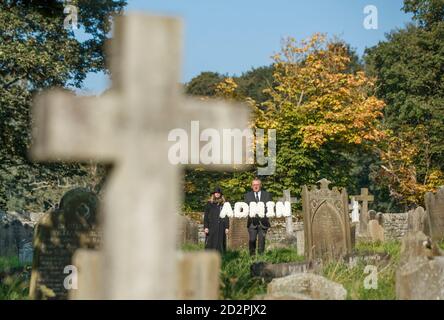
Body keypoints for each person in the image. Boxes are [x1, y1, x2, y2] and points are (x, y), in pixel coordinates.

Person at [244, 177, 272, 256]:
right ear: (251, 186)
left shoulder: (267, 195)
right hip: (252, 222)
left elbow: (270, 207)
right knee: (252, 240)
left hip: (263, 222)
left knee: (261, 240)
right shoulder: (247, 195)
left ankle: (261, 258)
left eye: (257, 184)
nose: (255, 186)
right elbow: (246, 208)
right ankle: (252, 257)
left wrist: (262, 213)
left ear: (260, 185)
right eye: (254, 185)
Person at [204, 187, 229, 253]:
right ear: (214, 194)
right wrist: (206, 227)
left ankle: (220, 256)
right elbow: (206, 216)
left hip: (221, 225)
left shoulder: (224, 204)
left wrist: (227, 227)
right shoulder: (209, 203)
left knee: (220, 242)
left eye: (219, 193)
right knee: (210, 242)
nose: (217, 194)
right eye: (216, 193)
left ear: (220, 194)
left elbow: (226, 216)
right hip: (211, 225)